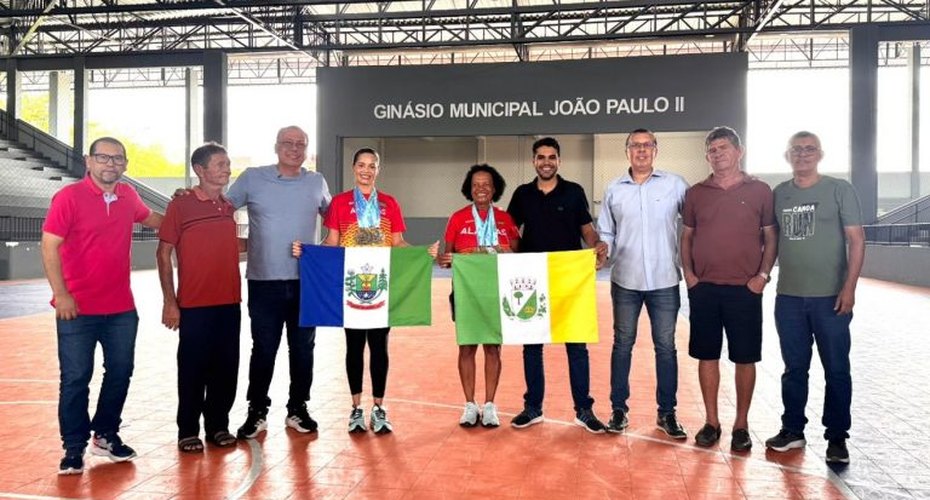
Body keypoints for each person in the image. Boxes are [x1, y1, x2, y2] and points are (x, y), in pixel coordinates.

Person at [41, 137, 163, 475]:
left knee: (120, 372)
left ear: (125, 164)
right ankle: (73, 447)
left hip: (121, 308)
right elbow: (49, 246)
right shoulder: (68, 197)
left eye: (117, 159)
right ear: (88, 161)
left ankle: (106, 434)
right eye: (103, 157)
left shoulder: (128, 196)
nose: (110, 164)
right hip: (76, 309)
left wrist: (186, 214)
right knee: (76, 378)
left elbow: (154, 219)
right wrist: (61, 294)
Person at [295, 147, 436, 434]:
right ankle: (356, 408)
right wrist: (307, 252)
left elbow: (398, 243)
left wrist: (423, 254)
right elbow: (332, 241)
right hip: (352, 287)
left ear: (378, 170)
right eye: (362, 164)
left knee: (380, 348)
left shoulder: (389, 203)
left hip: (382, 288)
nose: (366, 170)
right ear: (353, 167)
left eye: (372, 165)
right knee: (354, 347)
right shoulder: (340, 202)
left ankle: (379, 408)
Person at [765, 131, 864, 464]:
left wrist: (849, 287)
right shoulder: (779, 194)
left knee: (836, 368)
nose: (803, 155)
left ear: (820, 154)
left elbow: (857, 240)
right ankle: (792, 429)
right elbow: (772, 241)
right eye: (797, 150)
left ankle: (837, 436)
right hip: (789, 298)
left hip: (830, 299)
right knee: (794, 368)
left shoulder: (839, 190)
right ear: (787, 156)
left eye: (809, 150)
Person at [226, 126, 331, 439]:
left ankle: (298, 407)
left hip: (305, 283)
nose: (295, 149)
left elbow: (338, 221)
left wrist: (322, 252)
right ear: (276, 146)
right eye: (288, 143)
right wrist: (246, 241)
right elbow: (219, 210)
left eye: (301, 144)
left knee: (303, 349)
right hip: (264, 282)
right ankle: (257, 410)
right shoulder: (252, 177)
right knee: (264, 349)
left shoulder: (317, 181)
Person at [680, 126, 777, 451]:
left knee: (744, 358)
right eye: (712, 150)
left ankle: (741, 424)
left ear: (739, 151)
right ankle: (711, 422)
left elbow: (771, 236)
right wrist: (689, 275)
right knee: (707, 356)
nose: (717, 154)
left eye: (723, 148)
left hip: (745, 290)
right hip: (704, 288)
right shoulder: (696, 193)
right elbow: (687, 236)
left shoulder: (761, 190)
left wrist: (762, 275)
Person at [506, 136, 609, 434]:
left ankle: (584, 410)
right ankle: (533, 407)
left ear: (559, 161)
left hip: (569, 279)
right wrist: (512, 256)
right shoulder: (523, 194)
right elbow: (511, 231)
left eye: (552, 157)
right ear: (534, 161)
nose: (546, 162)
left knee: (577, 346)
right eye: (541, 157)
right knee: (532, 347)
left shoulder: (574, 192)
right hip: (531, 280)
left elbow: (587, 231)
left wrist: (597, 244)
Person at [596, 129, 689, 438]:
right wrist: (602, 252)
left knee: (666, 348)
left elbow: (693, 223)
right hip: (625, 280)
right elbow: (606, 233)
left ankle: (667, 413)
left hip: (664, 280)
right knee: (622, 345)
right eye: (635, 146)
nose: (641, 150)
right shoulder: (614, 189)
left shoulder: (675, 185)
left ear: (655, 150)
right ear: (627, 152)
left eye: (647, 145)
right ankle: (618, 410)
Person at [157, 143, 243, 453]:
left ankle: (218, 425)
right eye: (220, 164)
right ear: (200, 170)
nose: (227, 169)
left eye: (228, 164)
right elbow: (163, 253)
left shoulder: (230, 207)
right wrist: (170, 301)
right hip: (194, 305)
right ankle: (188, 430)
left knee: (226, 368)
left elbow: (234, 246)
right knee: (193, 369)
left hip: (230, 303)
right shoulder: (180, 206)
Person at [438, 164, 520, 428]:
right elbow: (446, 258)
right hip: (466, 291)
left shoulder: (506, 219)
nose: (481, 189)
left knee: (493, 347)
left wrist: (503, 250)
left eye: (486, 184)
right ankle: (470, 405)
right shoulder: (458, 218)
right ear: (469, 189)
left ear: (494, 188)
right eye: (476, 184)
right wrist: (448, 259)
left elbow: (519, 255)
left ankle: (490, 405)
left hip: (496, 292)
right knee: (467, 346)